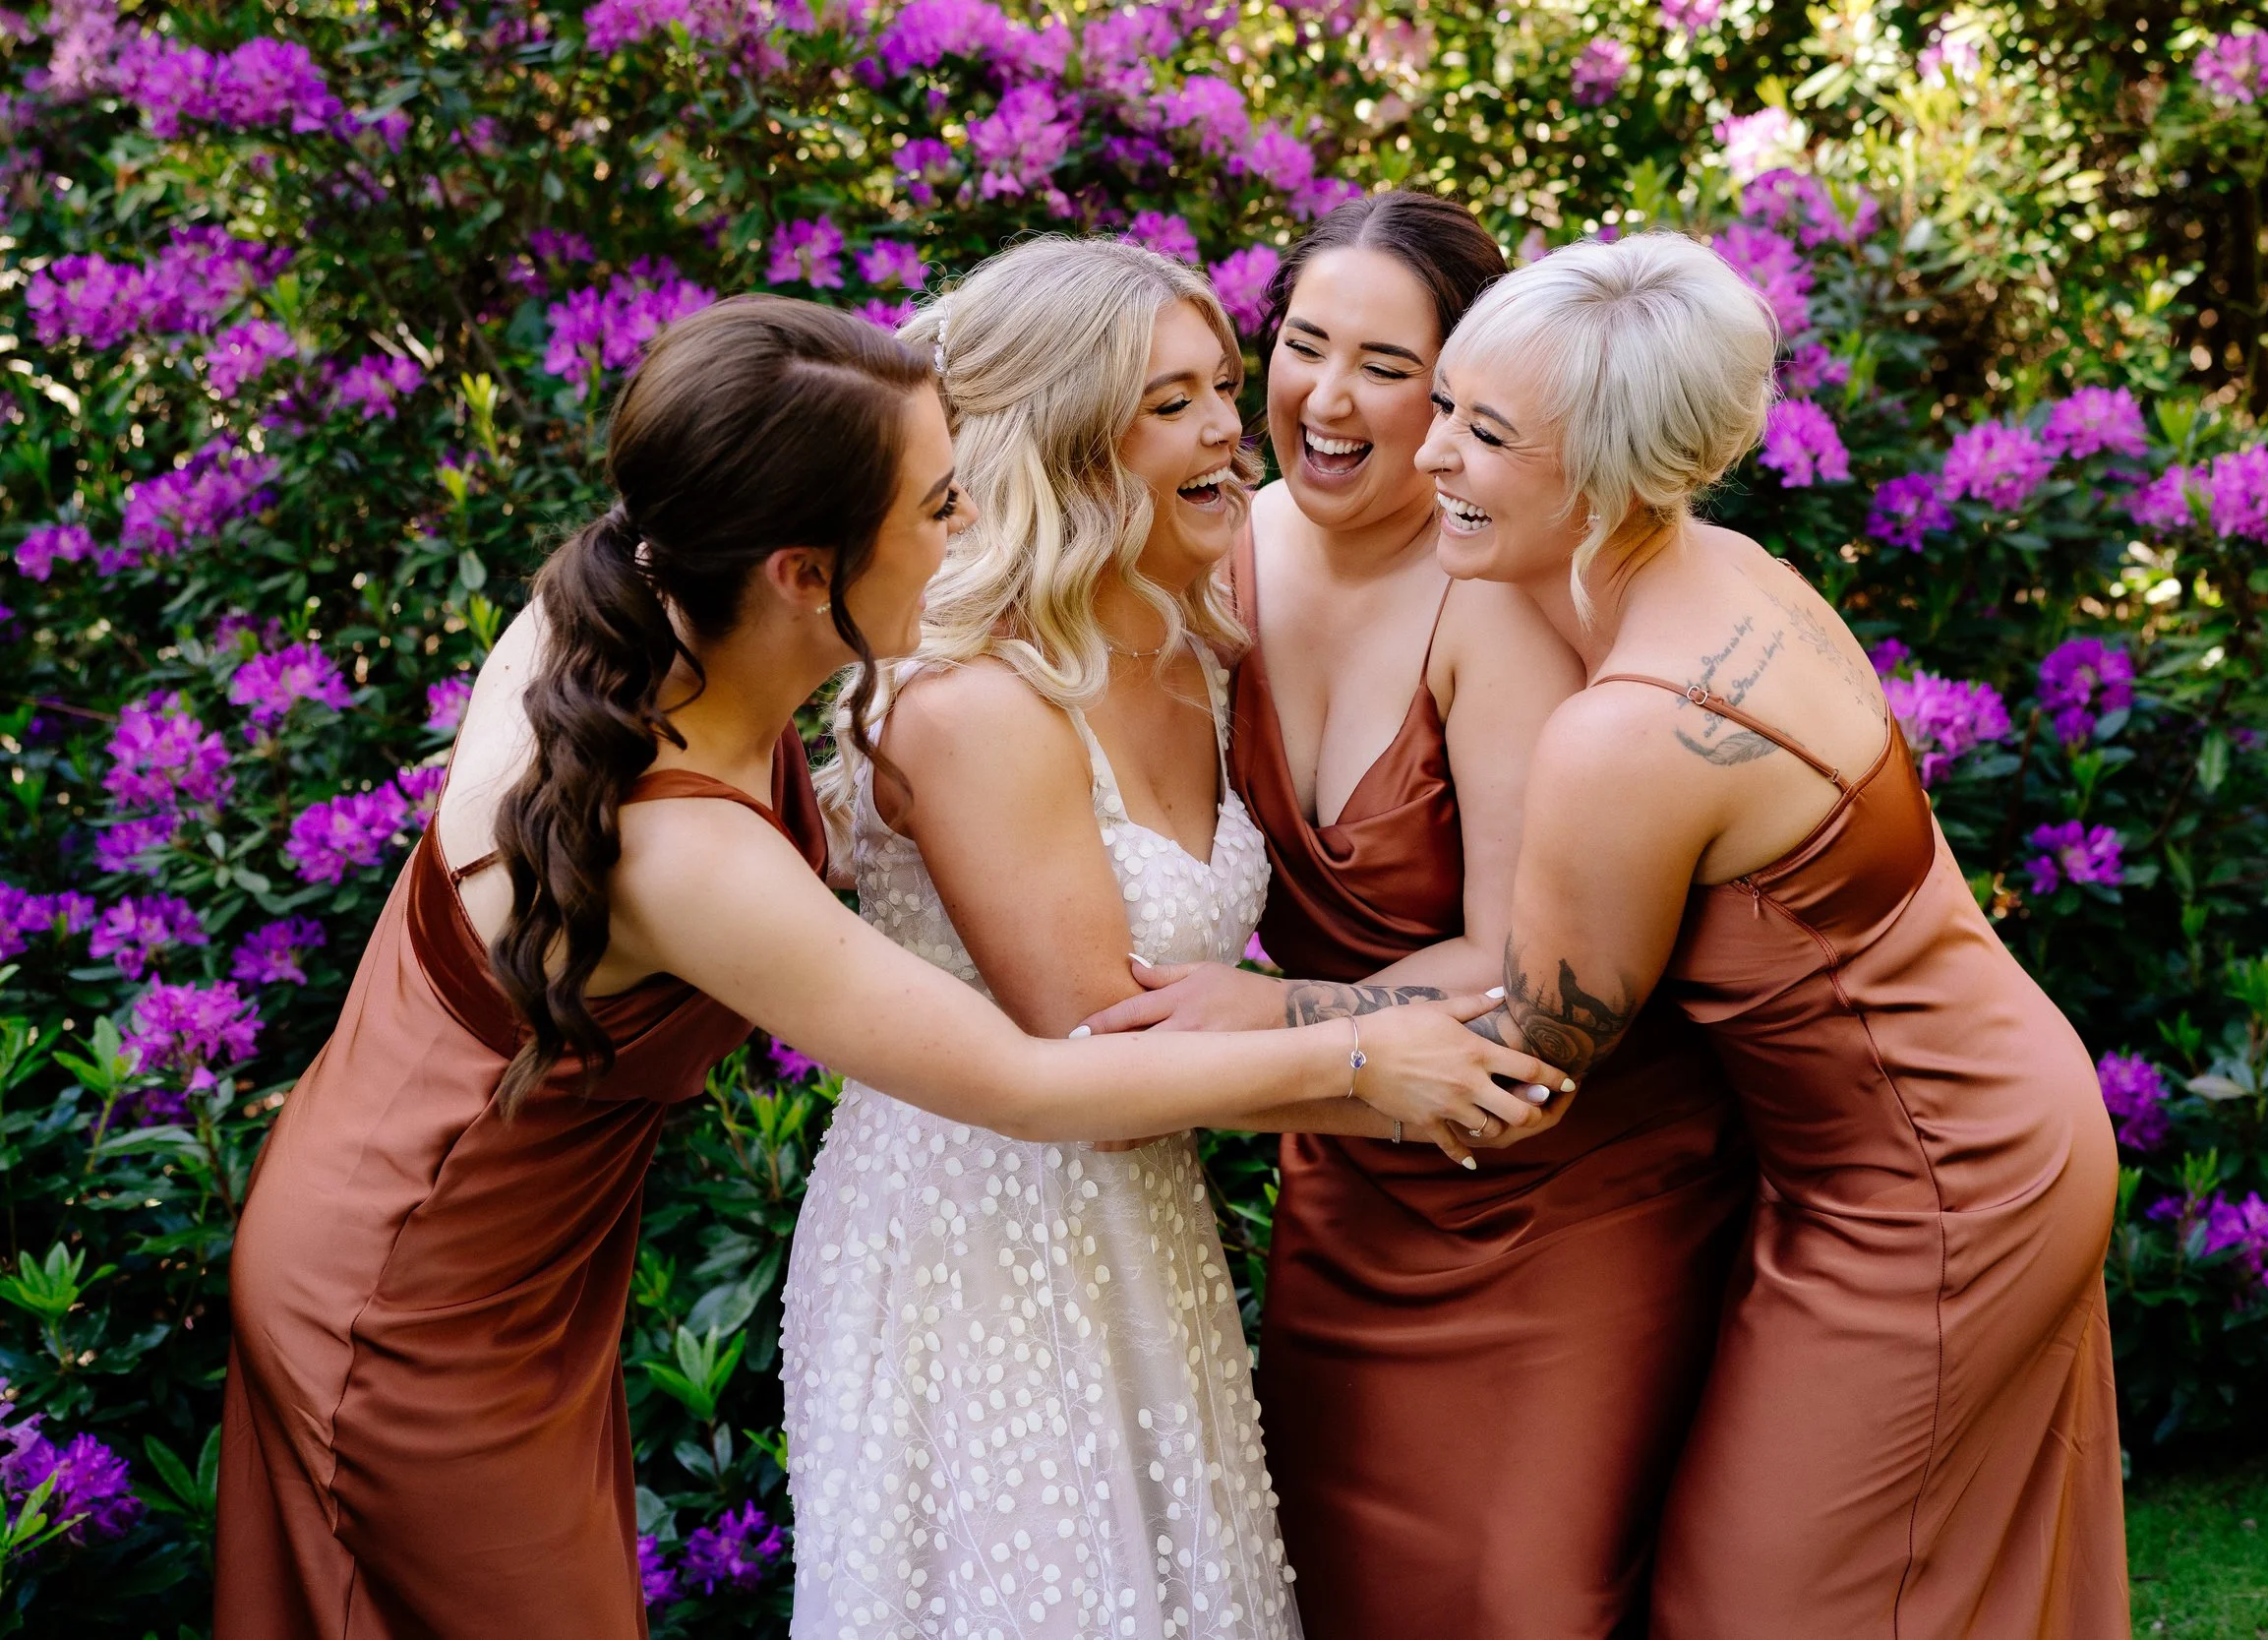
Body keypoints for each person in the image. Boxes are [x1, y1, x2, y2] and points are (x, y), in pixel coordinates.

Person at [213, 295, 1566, 1640]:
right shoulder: (679, 848)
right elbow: (1031, 1082)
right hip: (410, 1284)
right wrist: (1359, 1055)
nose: (972, 527)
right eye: (937, 507)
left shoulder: (654, 607)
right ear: (805, 570)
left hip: (511, 1250)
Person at [1418, 232, 2130, 1637]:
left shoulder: (1626, 733)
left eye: (1485, 431)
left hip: (1940, 1188)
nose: (1431, 452)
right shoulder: (1738, 570)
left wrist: (1242, 1031)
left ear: (1611, 472)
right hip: (1972, 1124)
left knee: (1762, 1604)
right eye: (1444, 402)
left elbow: (1535, 1050)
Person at [1082, 194, 1752, 1640]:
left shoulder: (1496, 605)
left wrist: (1268, 1015)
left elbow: (1522, 961)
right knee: (1336, 1583)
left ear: (1457, 402)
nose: (1326, 398)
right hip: (1355, 1156)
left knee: (1527, 1595)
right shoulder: (1225, 554)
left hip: (1562, 1167)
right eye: (1304, 343)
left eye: (1388, 369)